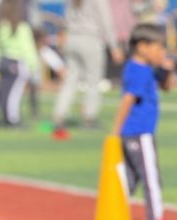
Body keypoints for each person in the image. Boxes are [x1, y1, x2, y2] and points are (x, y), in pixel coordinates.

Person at [112, 23, 176, 220]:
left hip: (134, 134)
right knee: (151, 178)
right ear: (142, 47)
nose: (162, 53)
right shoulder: (138, 71)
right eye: (158, 48)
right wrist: (115, 131)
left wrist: (166, 69)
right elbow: (128, 100)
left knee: (130, 181)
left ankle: (115, 217)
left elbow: (166, 87)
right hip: (140, 133)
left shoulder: (145, 68)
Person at [52, 0, 124, 139]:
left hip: (72, 38)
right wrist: (114, 45)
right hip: (90, 38)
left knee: (70, 80)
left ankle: (60, 113)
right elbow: (106, 21)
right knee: (93, 81)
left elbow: (65, 18)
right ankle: (89, 117)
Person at [0, 0, 39, 127]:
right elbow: (28, 49)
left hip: (3, 62)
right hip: (18, 63)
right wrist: (33, 66)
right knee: (14, 94)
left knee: (5, 92)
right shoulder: (21, 27)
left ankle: (6, 117)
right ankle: (12, 120)